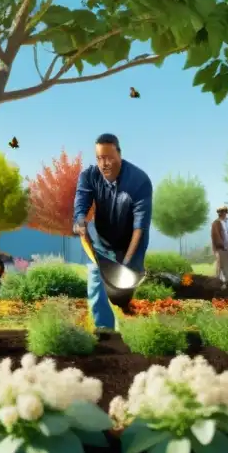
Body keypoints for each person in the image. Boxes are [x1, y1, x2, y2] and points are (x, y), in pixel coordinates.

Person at [73, 133, 152, 330]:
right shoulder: (89, 176)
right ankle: (104, 332)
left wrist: (126, 266)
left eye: (108, 157)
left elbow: (140, 227)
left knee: (124, 295)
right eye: (99, 158)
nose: (104, 163)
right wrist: (80, 220)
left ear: (119, 155)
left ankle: (130, 332)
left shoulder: (139, 181)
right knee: (97, 289)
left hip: (130, 244)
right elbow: (81, 202)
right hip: (101, 244)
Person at [210, 204, 228, 287]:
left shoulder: (223, 223)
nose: (225, 214)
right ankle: (219, 286)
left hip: (226, 249)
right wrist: (222, 246)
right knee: (221, 268)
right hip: (221, 250)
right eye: (224, 213)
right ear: (222, 213)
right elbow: (215, 236)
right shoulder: (216, 223)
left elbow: (226, 236)